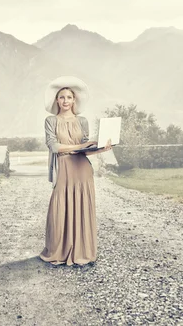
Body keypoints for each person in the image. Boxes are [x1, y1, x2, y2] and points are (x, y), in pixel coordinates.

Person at [39, 76, 112, 266]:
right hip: (64, 167)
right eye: (61, 97)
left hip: (82, 168)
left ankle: (82, 251)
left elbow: (85, 148)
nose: (65, 101)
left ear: (74, 100)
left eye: (69, 97)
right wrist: (79, 146)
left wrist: (101, 148)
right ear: (56, 100)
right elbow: (53, 146)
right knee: (59, 207)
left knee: (82, 207)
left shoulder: (82, 121)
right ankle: (59, 251)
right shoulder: (51, 120)